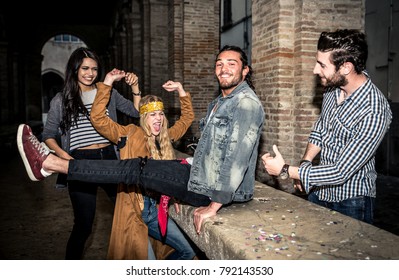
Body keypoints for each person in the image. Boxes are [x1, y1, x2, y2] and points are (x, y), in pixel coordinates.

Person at [17, 45, 265, 234]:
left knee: (135, 170)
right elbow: (100, 120)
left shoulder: (243, 103)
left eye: (231, 64)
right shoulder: (219, 103)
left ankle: (50, 165)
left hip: (212, 190)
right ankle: (53, 163)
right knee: (105, 205)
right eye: (219, 63)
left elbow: (235, 158)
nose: (223, 68)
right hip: (199, 179)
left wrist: (213, 206)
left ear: (245, 70)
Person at [262, 29, 392, 224]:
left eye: (322, 65)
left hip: (352, 200)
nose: (315, 70)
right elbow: (321, 130)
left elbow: (341, 171)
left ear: (346, 67)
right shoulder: (332, 89)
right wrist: (305, 164)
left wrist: (286, 170)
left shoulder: (374, 110)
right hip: (319, 191)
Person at [41, 47, 141, 259]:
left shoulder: (109, 93)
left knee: (130, 215)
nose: (90, 73)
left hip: (109, 158)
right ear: (75, 69)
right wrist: (64, 156)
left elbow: (135, 112)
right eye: (85, 68)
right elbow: (48, 135)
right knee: (84, 225)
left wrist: (135, 87)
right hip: (80, 161)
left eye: (94, 69)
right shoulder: (61, 99)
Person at [90, 70, 195, 260]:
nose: (158, 118)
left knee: (188, 251)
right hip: (133, 213)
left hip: (155, 212)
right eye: (153, 114)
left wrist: (180, 89)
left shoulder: (166, 137)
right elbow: (98, 119)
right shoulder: (129, 134)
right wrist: (107, 82)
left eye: (161, 114)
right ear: (143, 117)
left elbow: (186, 119)